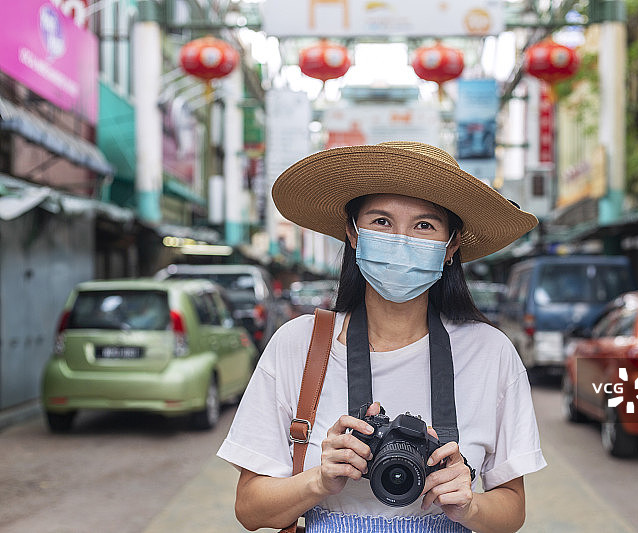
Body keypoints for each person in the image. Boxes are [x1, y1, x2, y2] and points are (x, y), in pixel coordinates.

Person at [217, 141, 547, 532]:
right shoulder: (298, 346)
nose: (402, 240)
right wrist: (319, 480)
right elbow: (250, 511)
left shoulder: (491, 353)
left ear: (451, 245)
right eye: (381, 222)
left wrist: (469, 505)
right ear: (353, 233)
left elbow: (513, 513)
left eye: (424, 225)